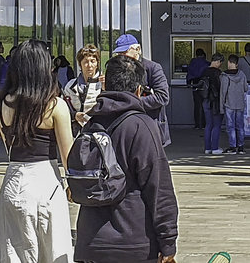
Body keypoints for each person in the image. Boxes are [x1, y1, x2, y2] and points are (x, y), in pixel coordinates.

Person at [74, 54, 179, 263]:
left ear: (105, 85)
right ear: (139, 90)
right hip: (134, 244)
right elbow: (159, 189)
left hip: (91, 243)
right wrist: (168, 242)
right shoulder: (142, 126)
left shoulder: (91, 125)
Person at [0, 41, 74, 263]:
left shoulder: (3, 103)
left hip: (13, 181)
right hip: (46, 183)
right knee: (52, 250)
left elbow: (9, 146)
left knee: (11, 251)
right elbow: (69, 157)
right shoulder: (55, 106)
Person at [113, 33, 171, 147]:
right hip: (125, 126)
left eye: (125, 53)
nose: (122, 57)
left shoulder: (153, 68)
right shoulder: (117, 69)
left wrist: (132, 102)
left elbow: (163, 97)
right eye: (119, 54)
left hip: (150, 126)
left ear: (137, 49)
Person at [63, 44, 104, 129]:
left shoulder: (104, 84)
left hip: (99, 129)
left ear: (97, 63)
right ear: (80, 64)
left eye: (93, 61)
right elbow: (63, 109)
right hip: (76, 132)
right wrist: (75, 115)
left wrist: (105, 89)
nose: (89, 65)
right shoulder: (71, 86)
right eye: (85, 62)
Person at [221, 55, 247, 153]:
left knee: (230, 126)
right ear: (237, 64)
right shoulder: (242, 74)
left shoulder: (225, 76)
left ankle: (232, 146)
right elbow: (246, 88)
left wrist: (221, 105)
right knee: (240, 126)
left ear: (229, 62)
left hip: (229, 104)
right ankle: (241, 147)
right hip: (240, 103)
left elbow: (223, 92)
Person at [202, 53, 225, 155]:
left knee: (208, 124)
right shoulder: (218, 73)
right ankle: (215, 148)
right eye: (220, 63)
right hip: (215, 101)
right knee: (216, 125)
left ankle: (207, 148)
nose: (220, 65)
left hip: (205, 100)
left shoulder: (204, 72)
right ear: (217, 61)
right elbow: (221, 88)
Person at [185, 48, 209, 131]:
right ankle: (204, 124)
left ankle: (197, 124)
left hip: (195, 84)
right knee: (204, 105)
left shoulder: (193, 62)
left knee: (197, 105)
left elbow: (189, 74)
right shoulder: (206, 63)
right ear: (203, 55)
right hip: (204, 85)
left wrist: (188, 83)